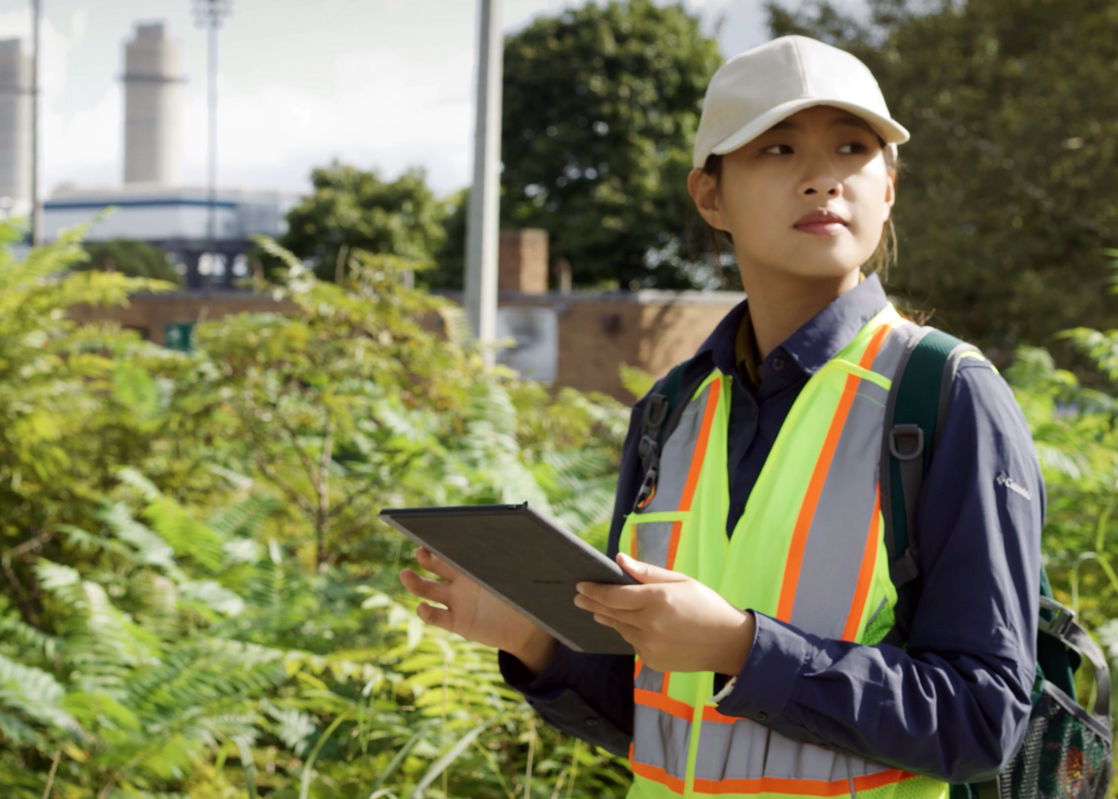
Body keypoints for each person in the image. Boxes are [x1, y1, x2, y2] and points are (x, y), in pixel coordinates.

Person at [400, 35, 1041, 799]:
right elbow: (664, 721)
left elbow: (982, 718)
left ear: (889, 188)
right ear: (709, 196)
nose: (821, 178)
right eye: (776, 148)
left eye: (852, 147)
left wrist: (742, 647)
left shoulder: (944, 394)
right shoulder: (669, 411)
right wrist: (531, 638)